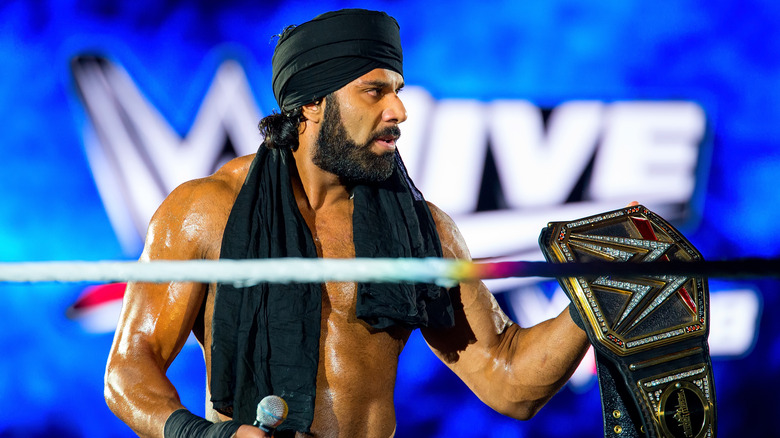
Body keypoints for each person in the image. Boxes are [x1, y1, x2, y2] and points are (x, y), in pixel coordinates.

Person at [104, 9, 590, 438]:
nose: (399, 110)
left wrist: (594, 300)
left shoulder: (421, 232)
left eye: (397, 90)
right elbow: (128, 369)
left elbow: (509, 380)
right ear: (312, 103)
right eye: (374, 91)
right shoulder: (204, 213)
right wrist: (200, 436)